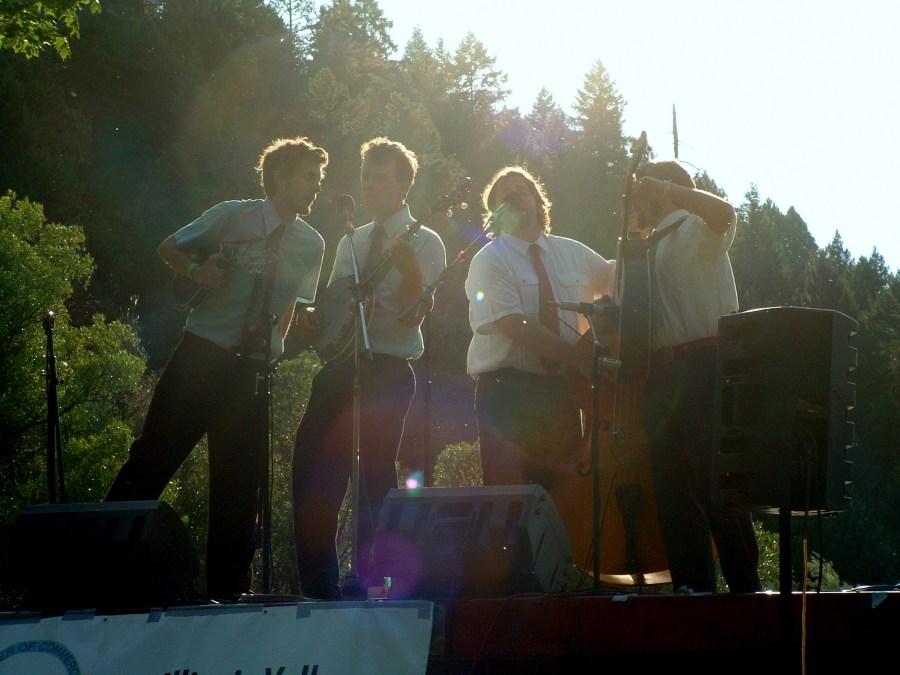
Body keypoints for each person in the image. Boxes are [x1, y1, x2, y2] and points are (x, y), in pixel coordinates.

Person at [106, 136, 329, 601]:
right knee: (152, 459)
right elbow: (169, 247)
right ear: (280, 176)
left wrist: (277, 346)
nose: (317, 186)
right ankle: (98, 570)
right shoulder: (232, 214)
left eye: (319, 177)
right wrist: (196, 273)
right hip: (201, 356)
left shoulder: (312, 243)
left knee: (239, 487)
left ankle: (227, 595)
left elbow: (290, 303)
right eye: (309, 175)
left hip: (252, 372)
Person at [291, 137, 447, 600]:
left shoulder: (426, 241)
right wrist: (315, 318)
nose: (370, 185)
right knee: (313, 465)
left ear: (405, 185)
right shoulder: (351, 239)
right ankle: (319, 584)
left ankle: (373, 582)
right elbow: (336, 308)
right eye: (366, 176)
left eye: (380, 177)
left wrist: (412, 274)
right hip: (341, 367)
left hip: (388, 368)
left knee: (373, 474)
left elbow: (412, 314)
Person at [628, 159, 761, 593]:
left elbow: (725, 213)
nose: (637, 200)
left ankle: (746, 588)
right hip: (661, 376)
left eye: (645, 192)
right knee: (673, 493)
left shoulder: (698, 229)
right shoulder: (645, 248)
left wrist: (668, 190)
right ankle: (693, 592)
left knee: (718, 480)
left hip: (706, 365)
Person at [465, 166, 617, 492]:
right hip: (507, 394)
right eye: (505, 195)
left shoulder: (573, 252)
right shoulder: (489, 260)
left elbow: (618, 285)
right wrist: (579, 357)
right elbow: (513, 324)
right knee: (509, 507)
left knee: (561, 500)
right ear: (494, 213)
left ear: (538, 201)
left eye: (522, 190)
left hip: (560, 394)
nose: (515, 196)